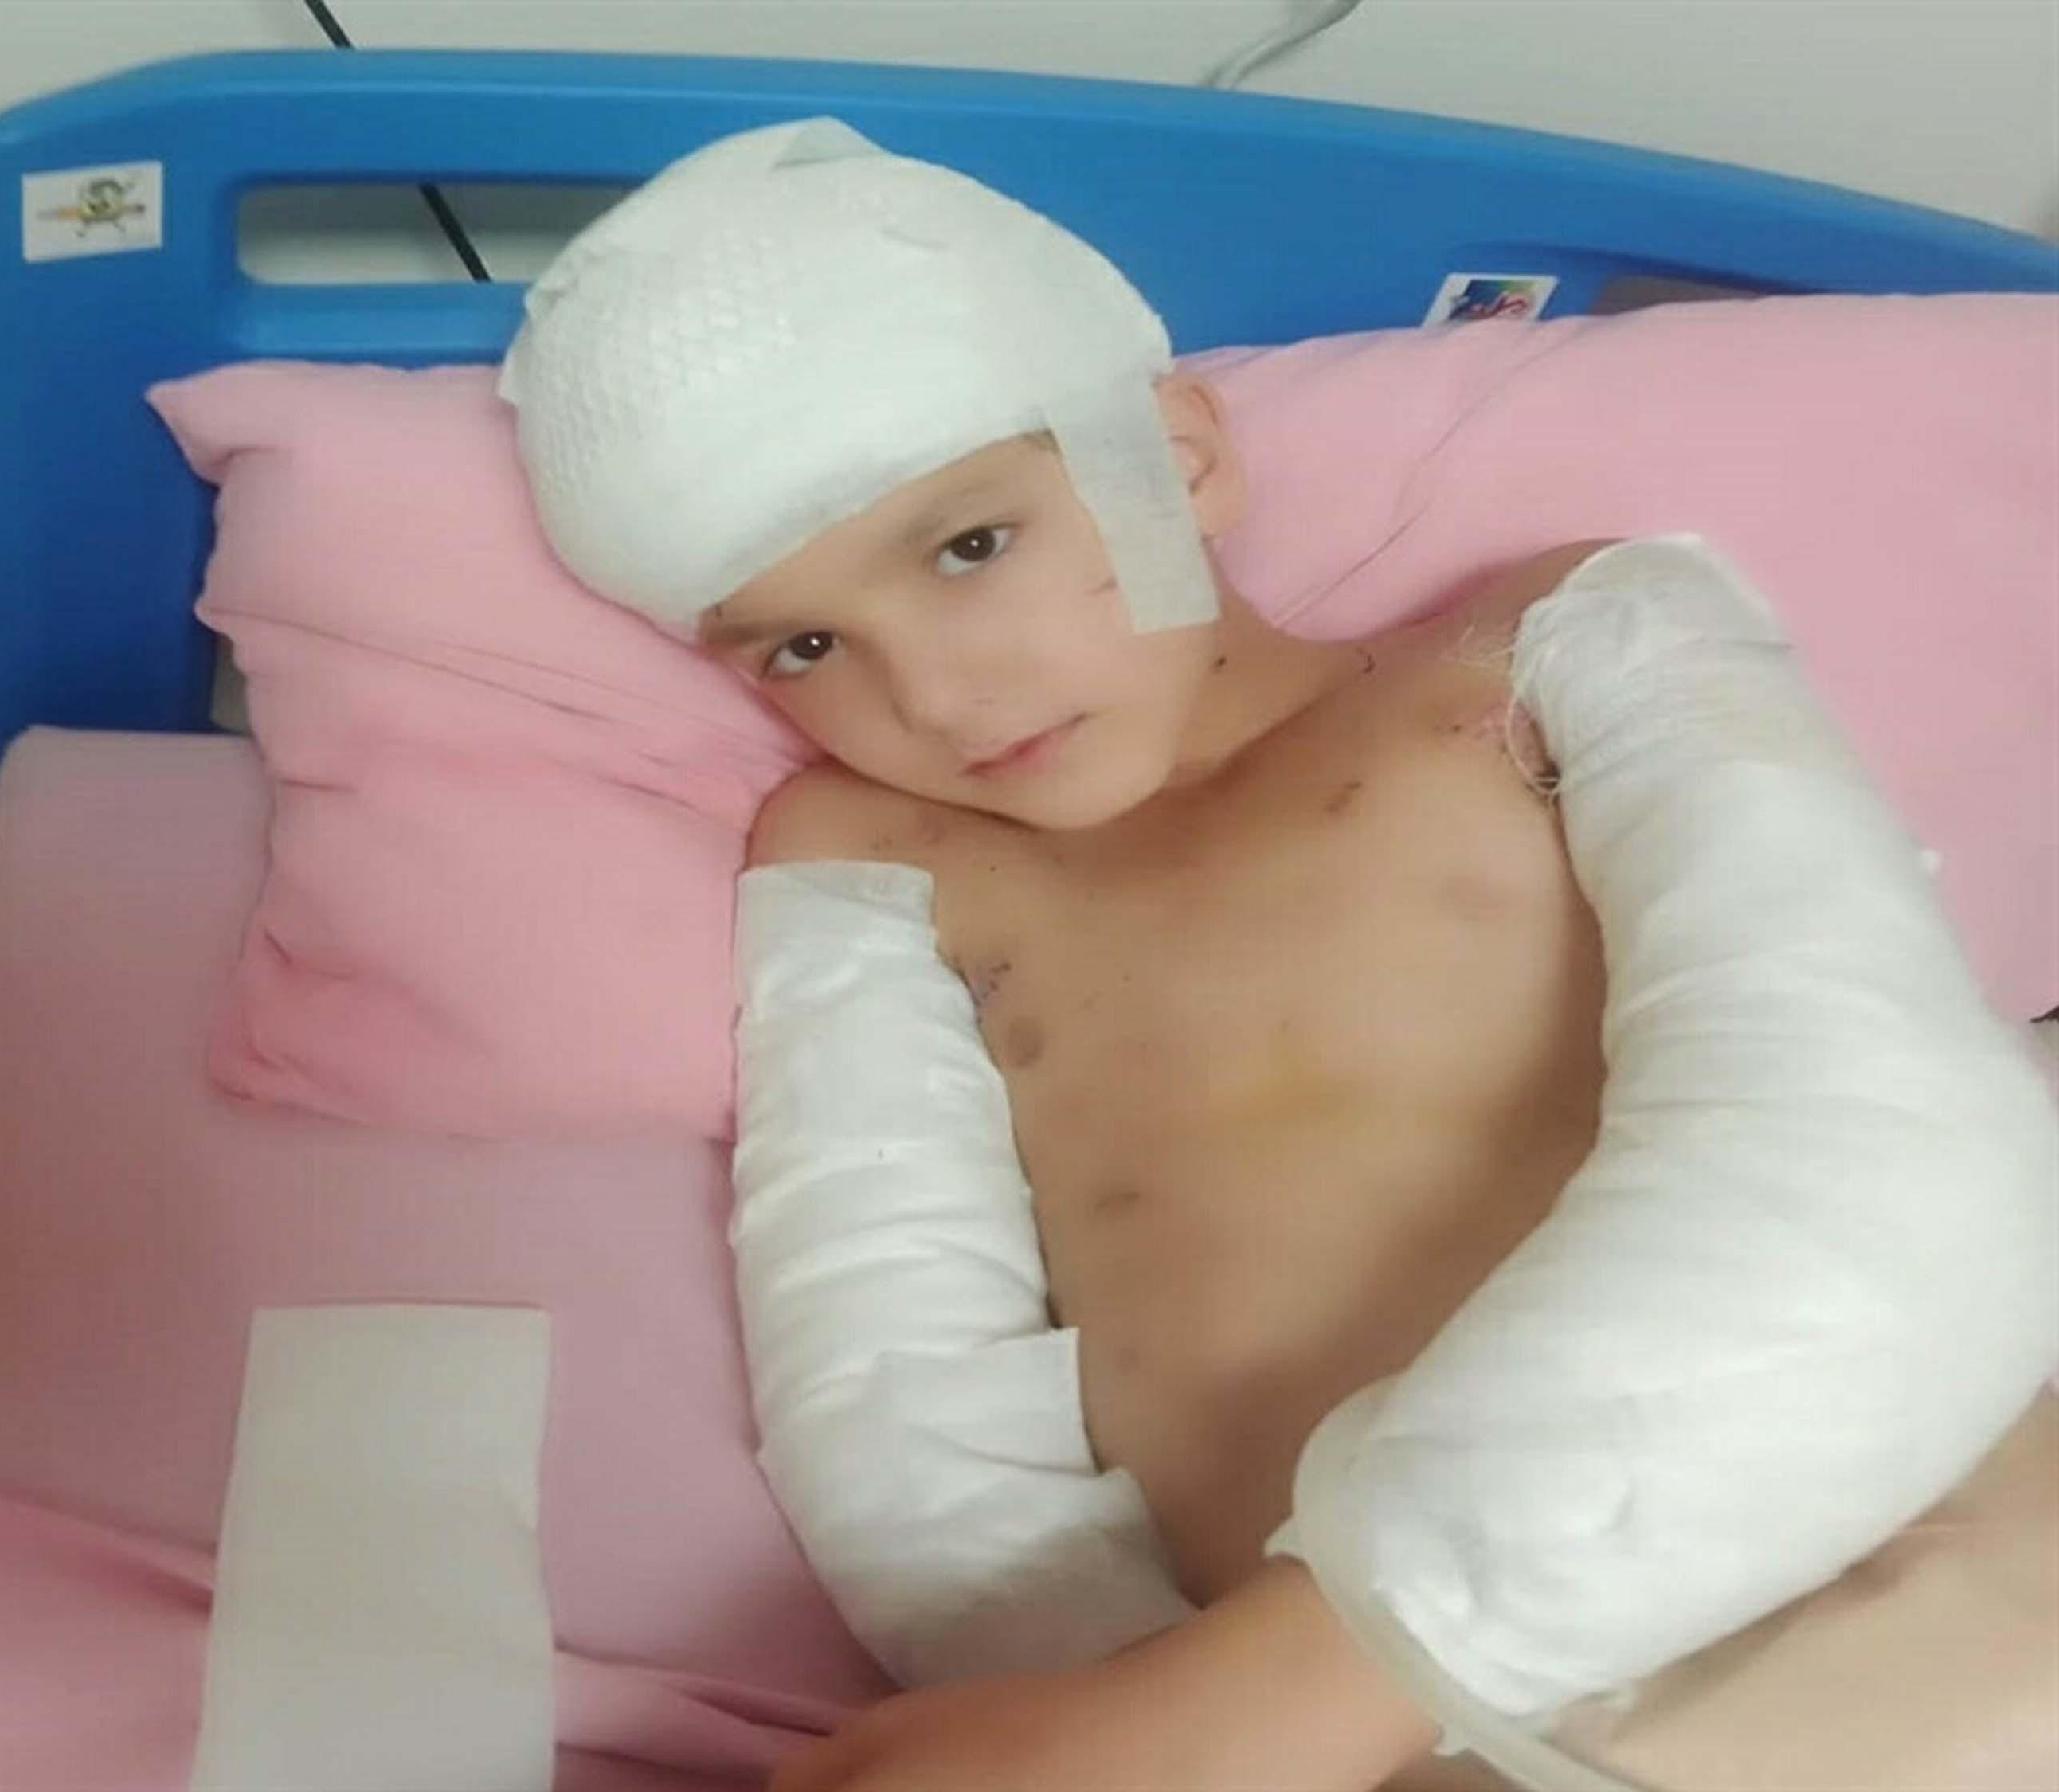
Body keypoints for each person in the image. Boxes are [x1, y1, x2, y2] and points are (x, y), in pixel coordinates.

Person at [499, 119, 2059, 1792]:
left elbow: (1878, 1113)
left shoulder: (1545, 644)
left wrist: (1282, 1697)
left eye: (970, 546)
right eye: (807, 646)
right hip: (1344, 1731)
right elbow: (891, 1391)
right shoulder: (874, 858)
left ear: (1176, 460)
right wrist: (1109, 1697)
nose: (937, 697)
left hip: (1914, 1538)